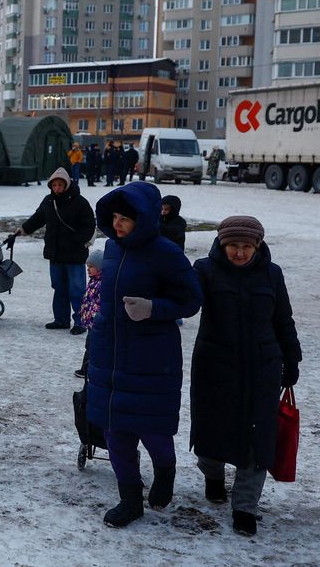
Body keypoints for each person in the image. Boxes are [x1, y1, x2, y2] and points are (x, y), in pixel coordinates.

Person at [86, 182, 203, 528]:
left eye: (127, 218)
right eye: (115, 217)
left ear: (146, 218)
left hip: (152, 356)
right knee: (115, 432)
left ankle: (165, 471)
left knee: (153, 431)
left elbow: (191, 300)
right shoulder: (110, 248)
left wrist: (154, 308)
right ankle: (130, 499)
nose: (118, 224)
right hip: (111, 352)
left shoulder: (166, 253)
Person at [190, 216, 302, 537]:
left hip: (262, 368)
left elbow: (284, 320)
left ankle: (245, 506)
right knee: (211, 436)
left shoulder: (271, 273)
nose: (239, 252)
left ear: (257, 246)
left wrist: (291, 359)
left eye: (246, 246)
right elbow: (185, 301)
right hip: (216, 367)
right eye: (233, 246)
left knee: (257, 439)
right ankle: (213, 475)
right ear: (222, 245)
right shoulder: (205, 270)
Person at [16, 167, 96, 334]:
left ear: (66, 184)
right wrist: (22, 230)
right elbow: (38, 218)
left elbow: (89, 225)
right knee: (59, 287)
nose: (57, 188)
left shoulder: (80, 202)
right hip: (56, 253)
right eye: (54, 185)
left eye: (60, 184)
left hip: (74, 254)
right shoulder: (48, 201)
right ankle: (61, 319)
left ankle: (81, 322)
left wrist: (77, 241)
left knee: (76, 289)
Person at [74, 248, 104, 378]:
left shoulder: (102, 283)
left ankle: (86, 370)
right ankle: (86, 369)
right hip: (91, 321)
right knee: (90, 345)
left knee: (93, 347)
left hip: (96, 322)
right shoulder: (93, 281)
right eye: (87, 266)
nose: (88, 269)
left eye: (91, 266)